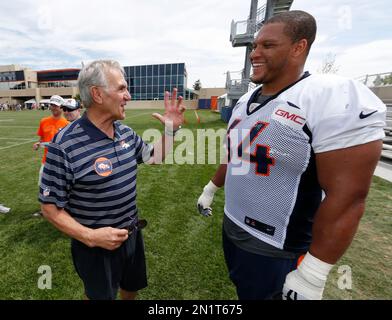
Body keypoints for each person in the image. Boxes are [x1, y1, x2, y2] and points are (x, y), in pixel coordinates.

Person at [197, 10, 386, 300]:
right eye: (255, 46)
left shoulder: (324, 97)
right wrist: (212, 188)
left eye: (267, 46)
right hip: (233, 226)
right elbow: (236, 154)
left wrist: (313, 272)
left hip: (278, 244)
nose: (255, 53)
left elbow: (348, 196)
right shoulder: (246, 100)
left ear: (299, 47)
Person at [39, 60, 185, 300]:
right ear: (97, 94)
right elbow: (49, 208)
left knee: (131, 289)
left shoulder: (125, 132)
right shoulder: (64, 144)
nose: (128, 95)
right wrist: (91, 236)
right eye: (121, 88)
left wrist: (171, 131)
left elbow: (152, 157)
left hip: (132, 234)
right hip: (95, 246)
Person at [33, 95, 69, 216]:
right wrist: (38, 143)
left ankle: (64, 209)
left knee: (62, 187)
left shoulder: (67, 123)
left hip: (61, 162)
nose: (53, 107)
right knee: (43, 186)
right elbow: (42, 138)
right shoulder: (44, 121)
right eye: (52, 105)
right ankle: (44, 210)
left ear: (61, 107)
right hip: (46, 160)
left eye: (56, 105)